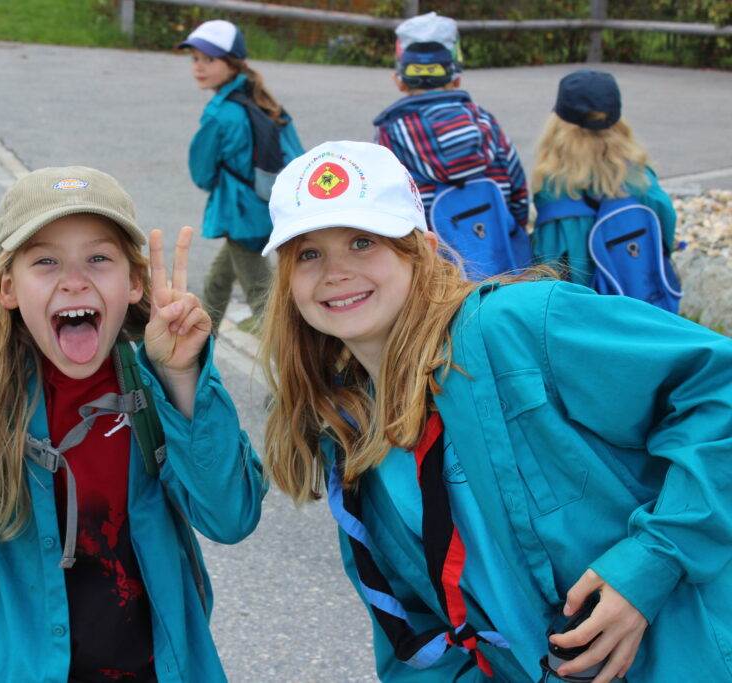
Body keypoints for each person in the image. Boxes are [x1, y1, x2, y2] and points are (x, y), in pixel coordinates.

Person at [258, 140, 732, 682]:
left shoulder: (516, 325)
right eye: (308, 254)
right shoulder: (347, 433)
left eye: (362, 242)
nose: (335, 272)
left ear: (421, 250)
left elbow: (719, 392)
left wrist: (653, 560)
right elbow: (413, 633)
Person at [0, 166, 265, 682]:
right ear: (9, 289)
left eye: (98, 258)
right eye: (46, 261)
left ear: (134, 282)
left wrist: (182, 375)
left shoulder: (158, 390)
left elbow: (230, 518)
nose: (74, 280)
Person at [373, 12, 531, 279]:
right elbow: (518, 191)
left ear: (399, 80)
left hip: (435, 270)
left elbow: (386, 204)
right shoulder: (485, 122)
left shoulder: (389, 133)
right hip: (499, 255)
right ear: (456, 78)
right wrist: (514, 230)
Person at [180, 19, 304, 331]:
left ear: (232, 64)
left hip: (241, 215)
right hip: (265, 206)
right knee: (218, 281)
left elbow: (202, 172)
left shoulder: (221, 114)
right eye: (195, 58)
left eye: (209, 59)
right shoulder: (263, 100)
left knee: (264, 302)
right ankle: (201, 345)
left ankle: (292, 358)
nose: (199, 66)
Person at [531, 70, 679, 308]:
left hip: (585, 310)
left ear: (559, 123)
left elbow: (549, 261)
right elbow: (666, 224)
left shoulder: (553, 188)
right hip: (641, 298)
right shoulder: (640, 177)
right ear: (618, 121)